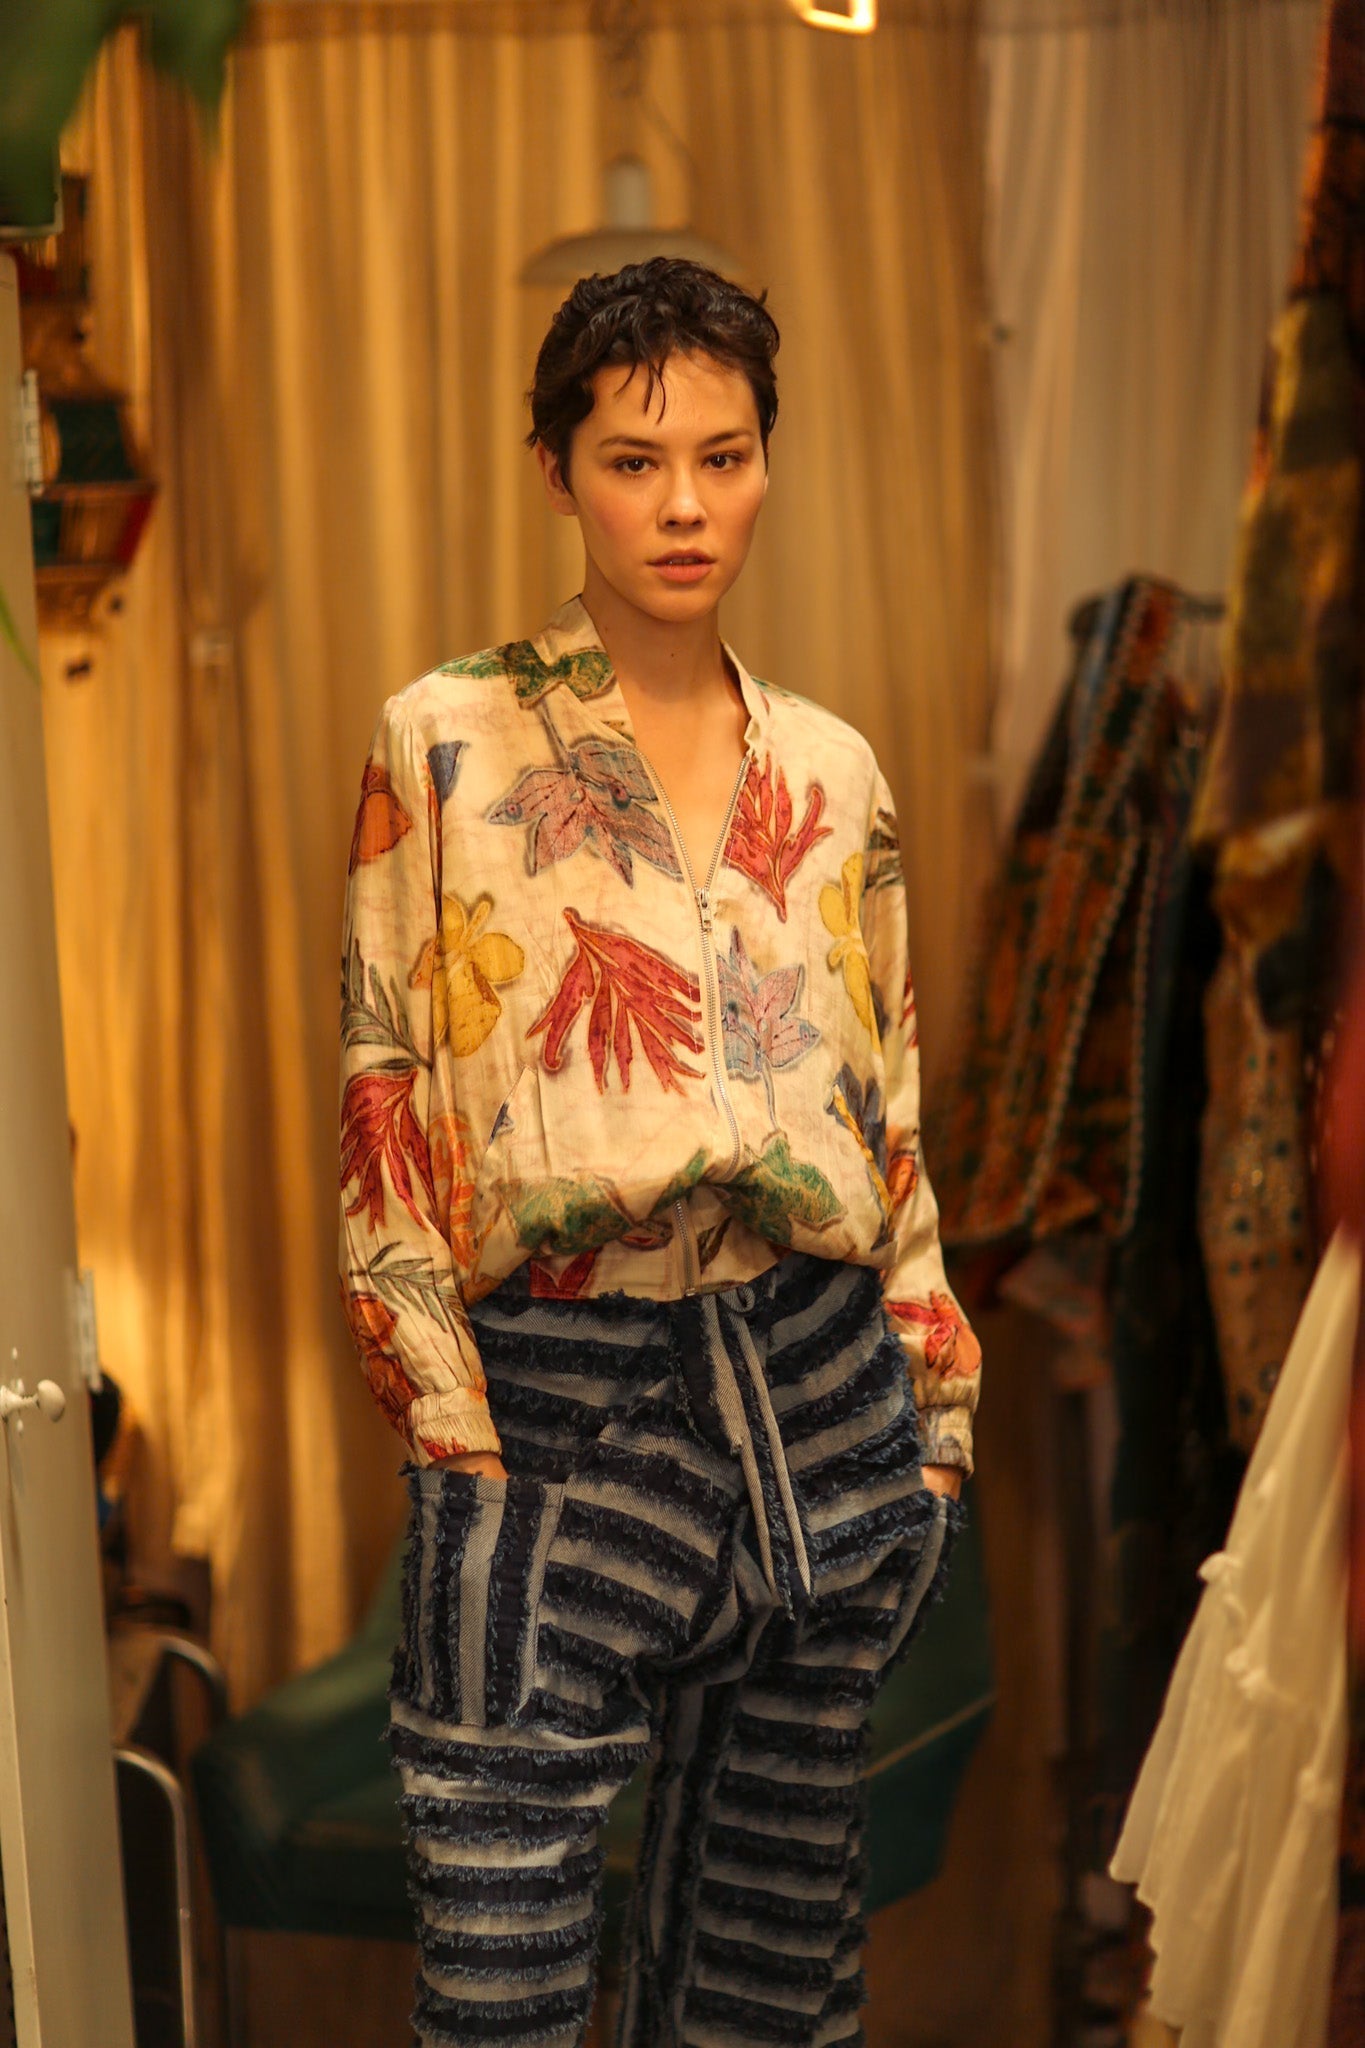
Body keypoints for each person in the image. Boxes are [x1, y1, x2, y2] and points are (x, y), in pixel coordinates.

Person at [339, 257, 981, 2048]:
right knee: (501, 1970)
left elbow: (891, 1108)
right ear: (557, 471)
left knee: (767, 1981)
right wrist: (453, 1442)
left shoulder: (835, 772)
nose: (684, 504)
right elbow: (384, 1092)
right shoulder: (446, 738)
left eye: (722, 455)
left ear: (768, 461)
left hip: (817, 1392)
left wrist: (931, 1436)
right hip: (562, 1391)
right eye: (634, 461)